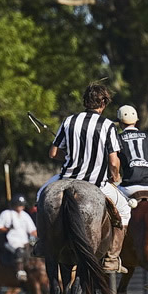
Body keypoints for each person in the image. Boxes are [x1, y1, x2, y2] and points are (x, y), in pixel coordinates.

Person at [45, 82, 128, 273]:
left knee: (42, 196)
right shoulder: (107, 125)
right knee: (124, 210)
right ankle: (111, 259)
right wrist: (115, 177)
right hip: (96, 182)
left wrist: (71, 156)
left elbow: (53, 153)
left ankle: (42, 243)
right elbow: (114, 161)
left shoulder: (69, 121)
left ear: (85, 101)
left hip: (66, 179)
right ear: (104, 103)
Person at [0, 195, 37, 281]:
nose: (21, 207)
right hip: (10, 240)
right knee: (19, 251)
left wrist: (33, 241)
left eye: (22, 205)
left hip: (24, 240)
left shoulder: (25, 215)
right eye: (19, 205)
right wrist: (7, 228)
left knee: (34, 251)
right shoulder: (6, 213)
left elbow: (32, 230)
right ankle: (20, 271)